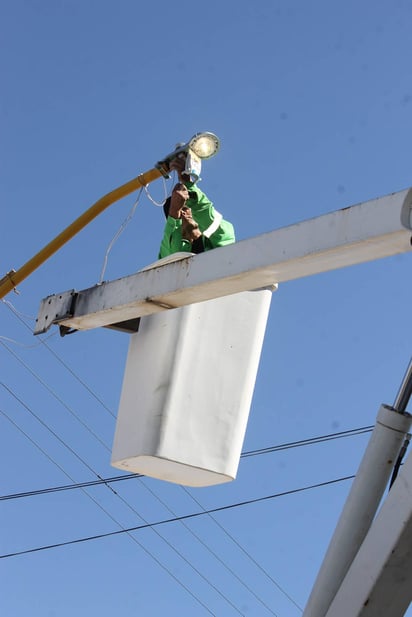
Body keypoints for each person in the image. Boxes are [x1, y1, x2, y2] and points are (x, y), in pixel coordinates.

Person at [158, 157, 235, 259]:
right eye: (179, 214)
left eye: (185, 208)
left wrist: (188, 184)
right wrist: (174, 212)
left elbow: (212, 222)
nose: (183, 213)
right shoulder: (166, 253)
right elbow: (171, 255)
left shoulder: (222, 235)